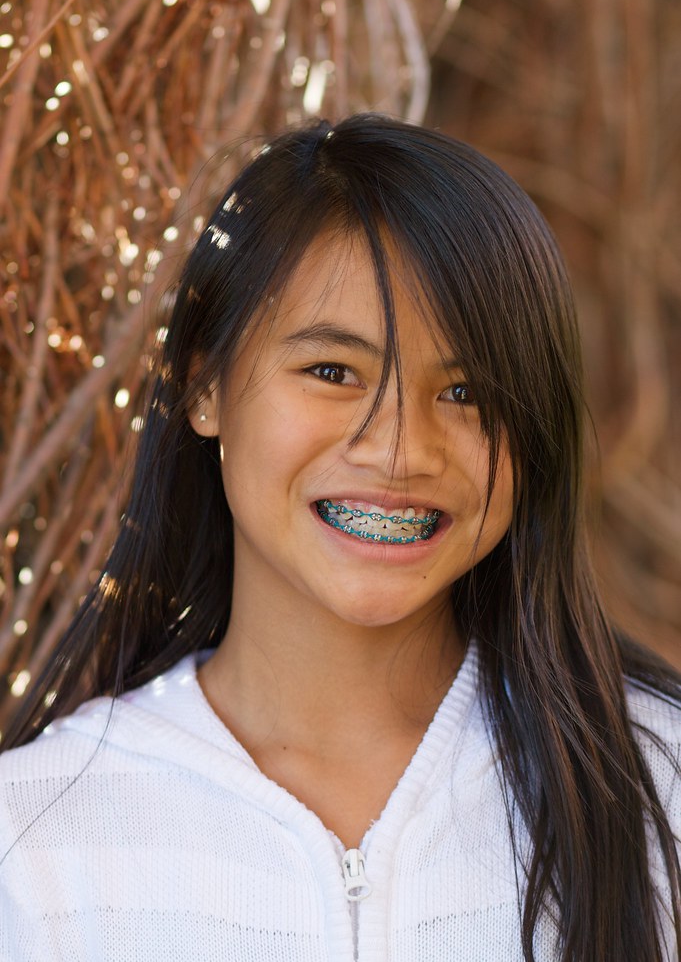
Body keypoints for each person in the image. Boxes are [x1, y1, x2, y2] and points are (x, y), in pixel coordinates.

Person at [0, 114, 679, 962]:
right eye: (332, 372)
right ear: (203, 385)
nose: (399, 449)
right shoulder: (34, 838)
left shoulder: (657, 788)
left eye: (466, 391)